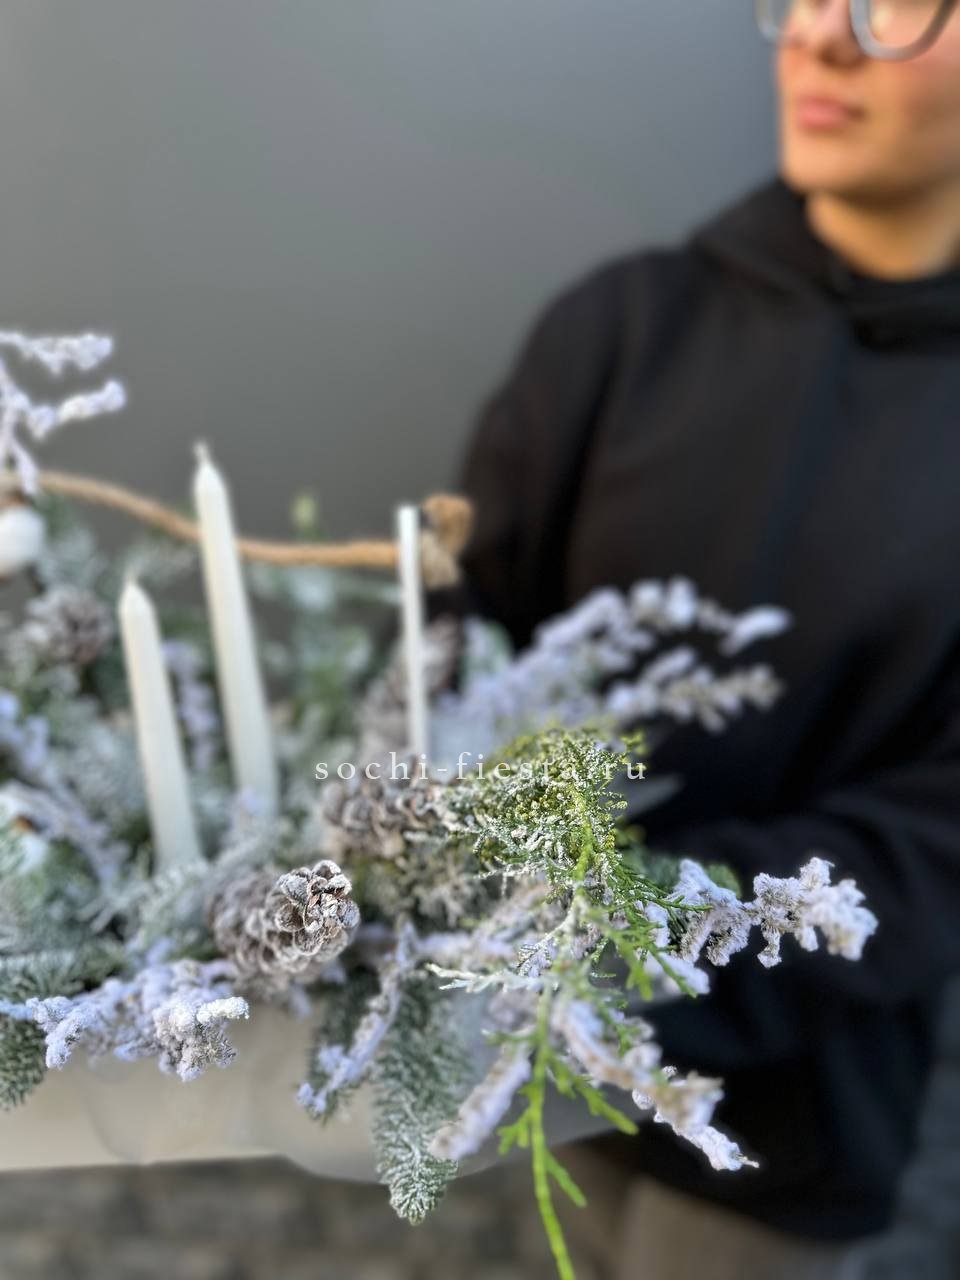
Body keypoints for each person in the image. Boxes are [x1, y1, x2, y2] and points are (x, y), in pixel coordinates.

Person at [427, 1, 960, 1275]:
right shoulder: (623, 328)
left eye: (893, 4)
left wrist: (636, 936)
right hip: (528, 1068)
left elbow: (940, 833)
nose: (821, 38)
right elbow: (458, 627)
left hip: (785, 1133)